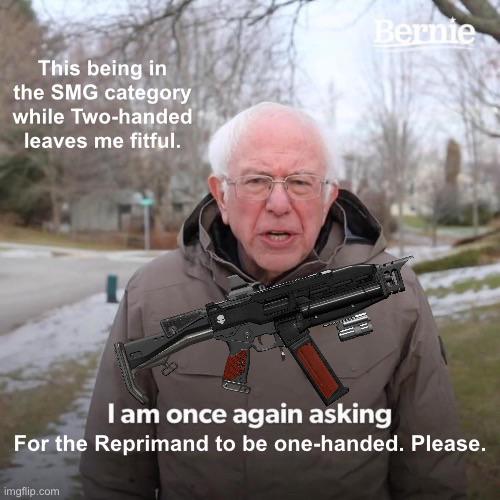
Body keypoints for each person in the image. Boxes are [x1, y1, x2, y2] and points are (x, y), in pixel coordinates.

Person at [80, 102, 466, 499]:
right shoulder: (151, 295)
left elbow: (433, 469)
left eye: (300, 182)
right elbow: (113, 474)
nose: (279, 204)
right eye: (256, 181)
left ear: (328, 197)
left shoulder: (395, 295)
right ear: (222, 196)